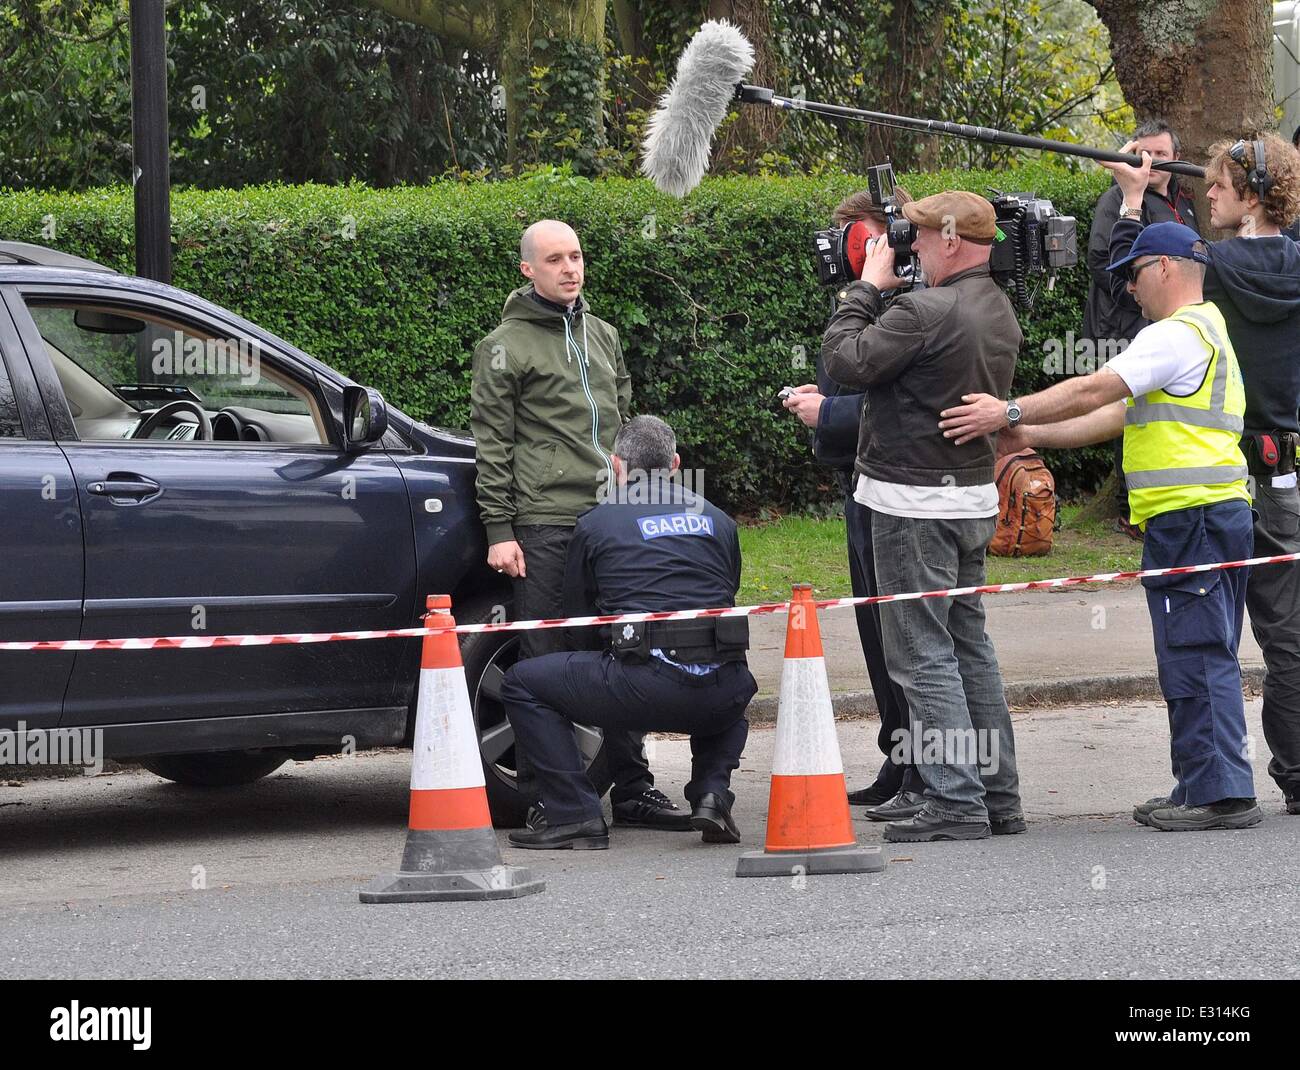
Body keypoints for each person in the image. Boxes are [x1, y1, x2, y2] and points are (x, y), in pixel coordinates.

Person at [940, 222, 1263, 831]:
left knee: (1194, 653)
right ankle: (1203, 784)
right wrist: (1028, 434)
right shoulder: (1209, 330)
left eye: (1135, 275)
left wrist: (1008, 409)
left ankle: (1220, 794)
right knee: (1200, 651)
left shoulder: (1173, 335)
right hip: (1210, 515)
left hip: (1191, 519)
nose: (1131, 291)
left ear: (1165, 268)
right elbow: (1117, 415)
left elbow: (1096, 389)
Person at [1100, 135, 1300, 816]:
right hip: (1287, 470)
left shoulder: (1216, 269)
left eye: (1217, 186)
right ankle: (1296, 772)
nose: (1207, 195)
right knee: (1287, 635)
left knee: (1203, 640)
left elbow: (1146, 280)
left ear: (1249, 193)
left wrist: (1134, 199)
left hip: (1226, 482)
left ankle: (1217, 789)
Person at [470, 219, 688, 831]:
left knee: (624, 650)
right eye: (555, 259)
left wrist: (640, 501)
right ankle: (554, 799)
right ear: (528, 271)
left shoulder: (605, 335)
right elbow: (494, 446)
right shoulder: (502, 346)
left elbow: (621, 428)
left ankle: (634, 790)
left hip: (611, 519)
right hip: (543, 523)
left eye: (576, 256)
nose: (570, 268)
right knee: (546, 660)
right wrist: (499, 530)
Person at [822, 190, 1025, 843]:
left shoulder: (922, 310)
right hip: (968, 498)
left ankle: (955, 799)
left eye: (915, 237)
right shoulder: (995, 307)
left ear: (948, 241)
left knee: (921, 653)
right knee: (970, 647)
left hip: (913, 505)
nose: (906, 249)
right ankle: (996, 796)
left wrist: (862, 289)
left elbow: (844, 362)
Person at [500, 416, 758, 850]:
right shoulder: (719, 520)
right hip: (723, 692)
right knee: (719, 668)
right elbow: (725, 592)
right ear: (675, 463)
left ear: (617, 466)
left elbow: (583, 623)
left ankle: (574, 815)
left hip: (642, 689)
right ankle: (712, 794)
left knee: (522, 683)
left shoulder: (596, 523)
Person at [781, 184, 923, 816]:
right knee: (876, 631)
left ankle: (923, 772)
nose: (847, 252)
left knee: (904, 636)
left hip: (893, 490)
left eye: (858, 238)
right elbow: (861, 376)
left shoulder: (912, 308)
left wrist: (828, 414)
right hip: (861, 486)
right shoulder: (875, 306)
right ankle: (899, 762)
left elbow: (904, 407)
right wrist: (827, 396)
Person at [1082, 120, 1200, 536]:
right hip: (1125, 326)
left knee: (1161, 411)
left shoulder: (1183, 203)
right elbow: (1101, 262)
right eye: (1142, 152)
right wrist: (1140, 298)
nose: (1151, 162)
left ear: (1176, 156)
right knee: (1127, 412)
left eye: (1161, 154)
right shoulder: (1116, 199)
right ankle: (1129, 510)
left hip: (1174, 327)